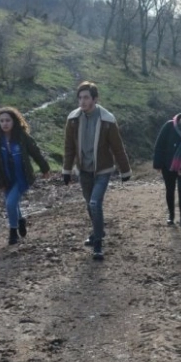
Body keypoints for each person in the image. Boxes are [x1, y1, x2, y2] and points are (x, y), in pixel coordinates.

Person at [63, 81, 132, 260]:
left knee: (95, 203)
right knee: (89, 204)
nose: (82, 101)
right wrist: (66, 170)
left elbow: (118, 147)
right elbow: (69, 147)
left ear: (94, 99)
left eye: (86, 97)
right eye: (80, 98)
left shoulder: (107, 120)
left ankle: (98, 244)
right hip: (83, 169)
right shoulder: (73, 119)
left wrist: (125, 170)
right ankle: (97, 232)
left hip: (102, 169)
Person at [0, 107, 51, 246]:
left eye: (8, 120)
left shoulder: (22, 137)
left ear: (14, 121)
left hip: (22, 177)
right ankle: (20, 221)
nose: (5, 123)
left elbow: (35, 152)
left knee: (10, 204)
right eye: (2, 121)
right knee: (12, 204)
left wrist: (44, 168)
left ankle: (13, 232)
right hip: (6, 178)